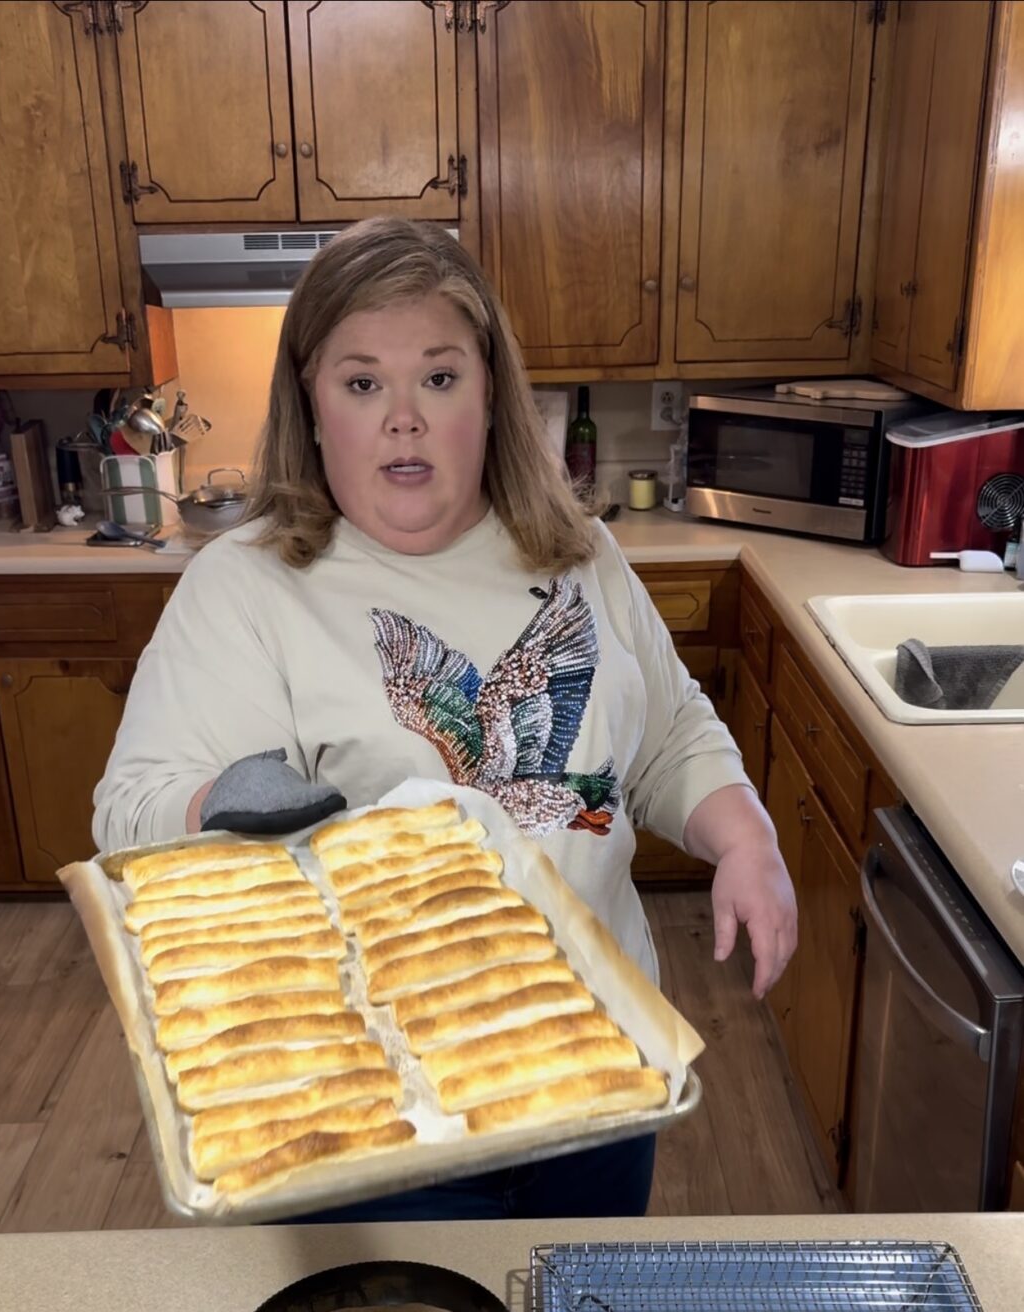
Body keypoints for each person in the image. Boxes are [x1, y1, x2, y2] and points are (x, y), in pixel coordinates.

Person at [93, 218, 796, 1221]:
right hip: (382, 1107)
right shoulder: (245, 589)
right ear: (311, 399)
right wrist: (221, 801)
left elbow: (670, 732)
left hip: (594, 1063)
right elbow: (127, 819)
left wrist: (747, 840)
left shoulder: (576, 556)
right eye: (362, 382)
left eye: (438, 376)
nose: (403, 421)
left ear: (489, 390)